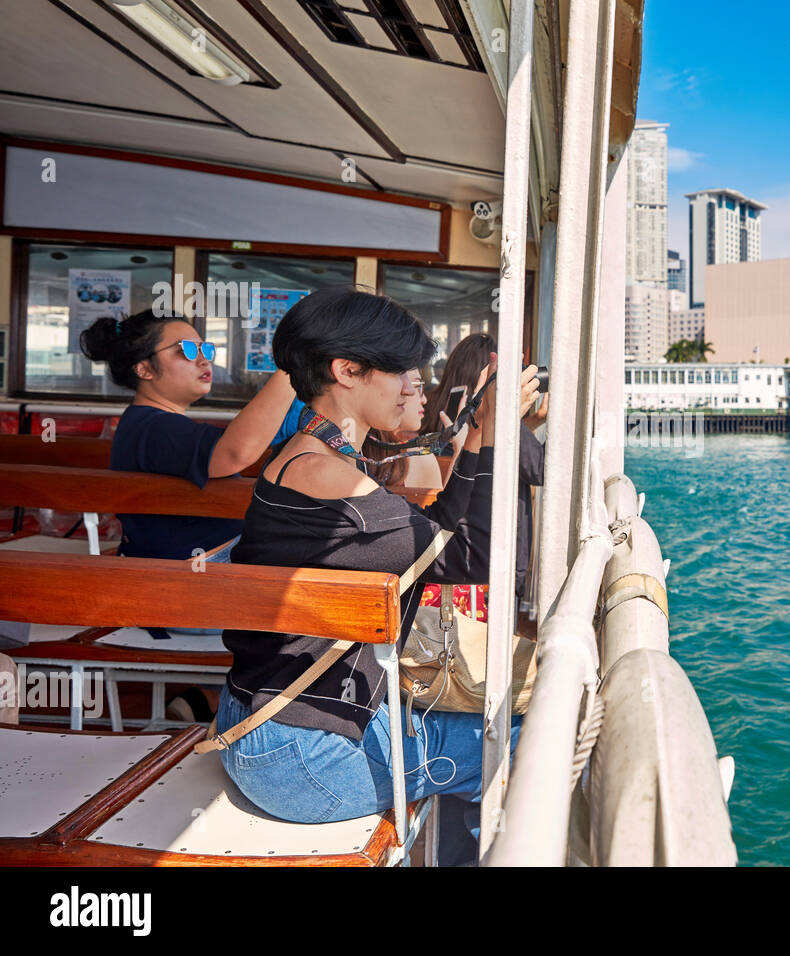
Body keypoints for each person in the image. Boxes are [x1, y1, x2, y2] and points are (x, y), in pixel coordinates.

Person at [213, 287, 540, 833]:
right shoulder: (329, 479)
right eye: (399, 370)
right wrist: (503, 432)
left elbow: (441, 536)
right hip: (305, 760)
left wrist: (481, 432)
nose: (414, 384)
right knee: (531, 737)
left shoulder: (307, 456)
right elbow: (478, 555)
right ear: (346, 371)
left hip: (275, 730)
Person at [80, 309, 296, 562]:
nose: (204, 361)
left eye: (205, 350)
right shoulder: (154, 429)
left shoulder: (145, 423)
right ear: (145, 369)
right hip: (193, 572)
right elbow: (236, 452)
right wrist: (291, 366)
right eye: (186, 350)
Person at [417, 332, 546, 605]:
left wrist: (530, 420)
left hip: (454, 562)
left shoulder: (433, 407)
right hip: (481, 566)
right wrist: (507, 415)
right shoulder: (486, 415)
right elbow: (539, 469)